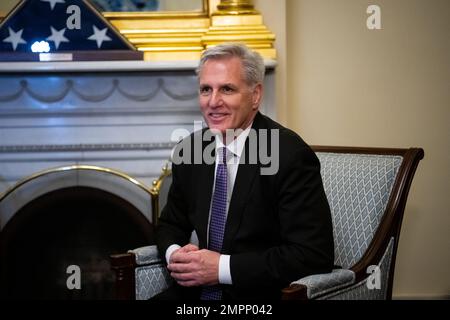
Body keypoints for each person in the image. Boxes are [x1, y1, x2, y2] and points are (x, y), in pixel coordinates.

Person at [154, 43, 334, 300]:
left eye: (227, 89)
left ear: (255, 95)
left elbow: (313, 254)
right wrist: (175, 255)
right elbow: (170, 224)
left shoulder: (288, 154)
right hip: (193, 294)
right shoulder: (191, 149)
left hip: (257, 295)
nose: (213, 102)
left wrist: (221, 269)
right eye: (206, 89)